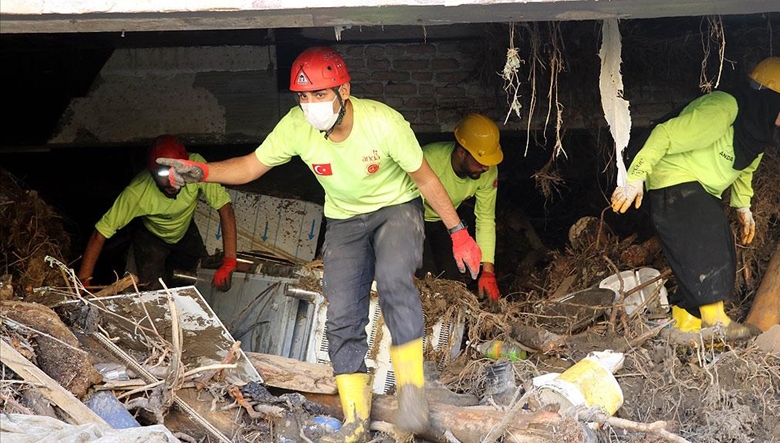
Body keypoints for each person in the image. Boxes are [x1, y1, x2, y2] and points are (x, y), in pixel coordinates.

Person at [157, 46, 482, 441]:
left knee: (395, 279)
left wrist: (459, 233)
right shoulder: (296, 126)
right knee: (343, 312)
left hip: (396, 207)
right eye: (303, 97)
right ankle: (356, 421)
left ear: (344, 91)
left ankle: (413, 395)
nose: (310, 105)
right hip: (344, 219)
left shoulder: (384, 123)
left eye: (320, 95)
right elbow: (250, 165)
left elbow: (427, 178)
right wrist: (202, 172)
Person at [610, 57, 780, 340]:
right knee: (708, 232)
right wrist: (636, 177)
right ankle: (715, 321)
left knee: (718, 240)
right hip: (673, 179)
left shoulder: (756, 131)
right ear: (769, 97)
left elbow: (744, 171)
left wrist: (743, 206)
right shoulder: (723, 109)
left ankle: (687, 325)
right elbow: (664, 134)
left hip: (700, 189)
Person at [78, 135, 238, 292]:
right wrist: (83, 284)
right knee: (153, 291)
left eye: (177, 172)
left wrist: (229, 262)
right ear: (152, 173)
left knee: (198, 278)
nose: (172, 181)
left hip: (184, 231)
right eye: (163, 175)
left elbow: (225, 208)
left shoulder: (195, 170)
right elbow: (99, 234)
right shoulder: (137, 193)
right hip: (151, 237)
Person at [420, 113, 502, 302]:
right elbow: (405, 209)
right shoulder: (429, 160)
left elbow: (485, 217)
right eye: (481, 161)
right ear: (461, 152)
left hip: (447, 223)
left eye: (489, 163)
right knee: (427, 281)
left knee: (452, 284)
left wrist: (488, 271)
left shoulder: (487, 171)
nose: (486, 168)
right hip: (414, 221)